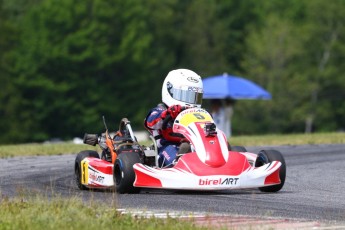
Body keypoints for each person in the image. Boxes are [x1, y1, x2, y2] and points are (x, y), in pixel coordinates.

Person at [144, 69, 203, 167]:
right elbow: (149, 123)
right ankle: (180, 165)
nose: (190, 102)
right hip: (166, 147)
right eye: (185, 95)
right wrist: (167, 114)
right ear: (170, 91)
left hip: (195, 146)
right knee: (183, 148)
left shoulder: (196, 115)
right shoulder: (160, 110)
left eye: (194, 97)